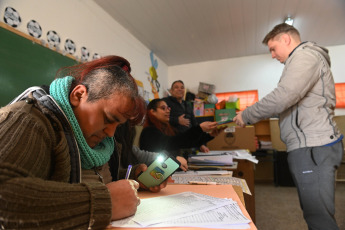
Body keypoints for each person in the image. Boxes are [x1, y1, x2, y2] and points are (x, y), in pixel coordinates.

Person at [0, 55, 165, 229]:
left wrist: (133, 178)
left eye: (118, 125)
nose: (111, 133)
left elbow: (94, 176)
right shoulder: (28, 119)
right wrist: (103, 202)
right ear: (79, 95)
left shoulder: (103, 142)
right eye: (108, 119)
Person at [233, 23, 344, 230]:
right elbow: (287, 104)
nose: (273, 55)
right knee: (315, 213)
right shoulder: (299, 61)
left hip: (313, 146)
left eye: (273, 48)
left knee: (319, 218)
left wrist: (247, 115)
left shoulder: (304, 57)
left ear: (286, 39)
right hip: (310, 146)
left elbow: (284, 96)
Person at [139, 98, 222, 171]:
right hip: (157, 174)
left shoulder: (168, 128)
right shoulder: (149, 132)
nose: (168, 111)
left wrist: (210, 135)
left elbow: (188, 142)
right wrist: (199, 128)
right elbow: (175, 142)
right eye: (163, 108)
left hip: (171, 171)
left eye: (168, 108)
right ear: (152, 112)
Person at [163, 80, 214, 153]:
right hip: (174, 144)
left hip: (190, 142)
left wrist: (201, 144)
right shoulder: (165, 102)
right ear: (171, 91)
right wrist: (177, 120)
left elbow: (195, 124)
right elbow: (160, 119)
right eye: (176, 87)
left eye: (182, 87)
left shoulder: (187, 104)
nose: (180, 89)